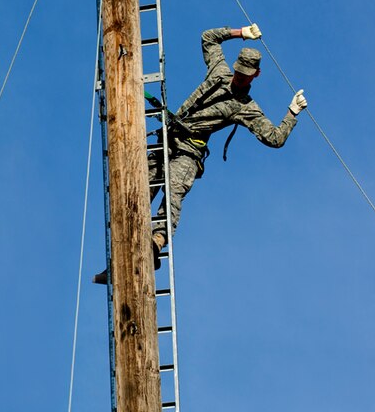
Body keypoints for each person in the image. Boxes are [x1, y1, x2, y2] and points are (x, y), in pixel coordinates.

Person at [94, 23, 308, 284]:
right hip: (167, 141)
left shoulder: (245, 108)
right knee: (135, 194)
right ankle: (119, 260)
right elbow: (208, 38)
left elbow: (274, 138)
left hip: (189, 152)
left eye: (245, 75)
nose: (239, 77)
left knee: (173, 192)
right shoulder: (219, 72)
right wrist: (240, 32)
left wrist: (291, 114)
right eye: (239, 71)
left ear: (256, 75)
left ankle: (154, 245)